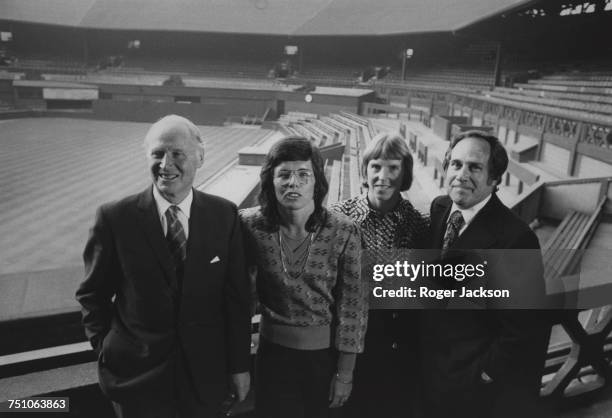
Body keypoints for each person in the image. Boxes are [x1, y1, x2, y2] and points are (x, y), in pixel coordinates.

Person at [75, 114, 252, 418]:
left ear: (200, 158)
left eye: (177, 154)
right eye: (158, 153)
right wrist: (107, 349)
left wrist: (239, 366)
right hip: (136, 379)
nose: (166, 164)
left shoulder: (224, 215)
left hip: (205, 378)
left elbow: (237, 299)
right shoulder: (115, 218)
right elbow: (92, 294)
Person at [419, 130, 550, 418]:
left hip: (471, 386)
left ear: (494, 178)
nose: (462, 174)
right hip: (429, 370)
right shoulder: (441, 208)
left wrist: (484, 374)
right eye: (456, 164)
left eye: (475, 167)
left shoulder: (516, 238)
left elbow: (524, 328)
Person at [240, 136, 368, 418]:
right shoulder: (248, 225)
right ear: (270, 180)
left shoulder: (344, 231)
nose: (292, 183)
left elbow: (353, 308)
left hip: (322, 361)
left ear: (317, 181)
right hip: (271, 357)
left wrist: (345, 373)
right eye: (283, 174)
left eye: (303, 174)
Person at [331, 132, 428, 418]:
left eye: (393, 167)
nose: (382, 176)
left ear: (405, 173)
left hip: (396, 347)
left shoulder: (418, 224)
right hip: (345, 343)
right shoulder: (338, 216)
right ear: (365, 170)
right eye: (375, 166)